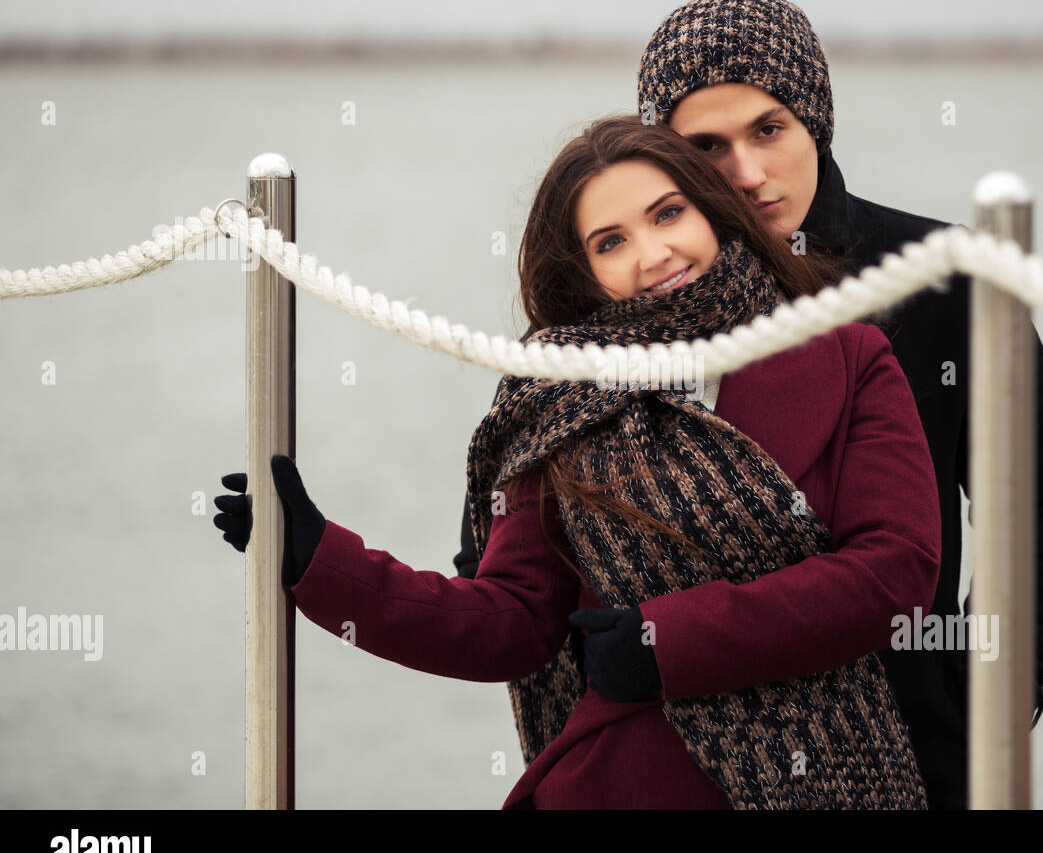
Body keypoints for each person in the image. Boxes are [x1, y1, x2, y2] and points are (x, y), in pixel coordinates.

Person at [451, 0, 1043, 810]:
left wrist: (994, 691)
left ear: (814, 123)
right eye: (708, 146)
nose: (748, 172)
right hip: (679, 758)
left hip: (911, 746)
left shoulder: (939, 275)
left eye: (769, 129)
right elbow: (500, 563)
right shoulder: (630, 301)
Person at [213, 113, 943, 809]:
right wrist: (316, 558)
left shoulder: (850, 358)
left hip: (831, 780)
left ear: (713, 211)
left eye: (667, 215)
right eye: (609, 242)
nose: (651, 255)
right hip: (621, 785)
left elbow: (895, 572)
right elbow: (511, 624)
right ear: (586, 274)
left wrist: (667, 644)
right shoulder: (561, 399)